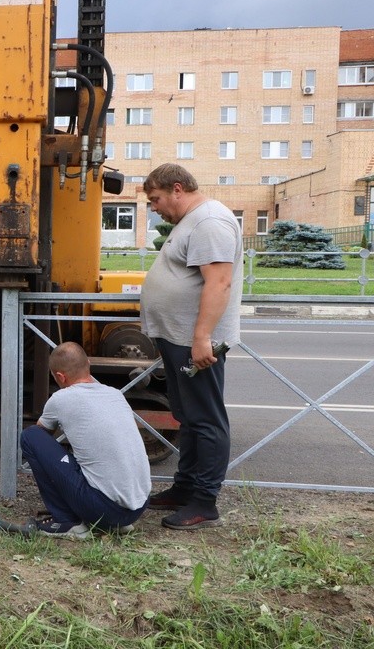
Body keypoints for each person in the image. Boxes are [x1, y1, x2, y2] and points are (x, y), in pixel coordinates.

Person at [140, 163, 242, 530]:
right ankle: (184, 489)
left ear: (177, 189)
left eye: (156, 200)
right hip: (180, 338)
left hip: (195, 342)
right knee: (189, 419)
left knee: (206, 421)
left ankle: (204, 501)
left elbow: (219, 283)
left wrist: (202, 337)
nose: (154, 208)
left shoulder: (209, 222)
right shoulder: (192, 221)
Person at [0, 342, 151, 540]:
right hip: (138, 507)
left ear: (60, 377)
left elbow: (40, 437)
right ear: (88, 364)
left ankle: (66, 521)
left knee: (30, 437)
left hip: (104, 508)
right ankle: (114, 523)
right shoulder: (115, 394)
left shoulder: (60, 399)